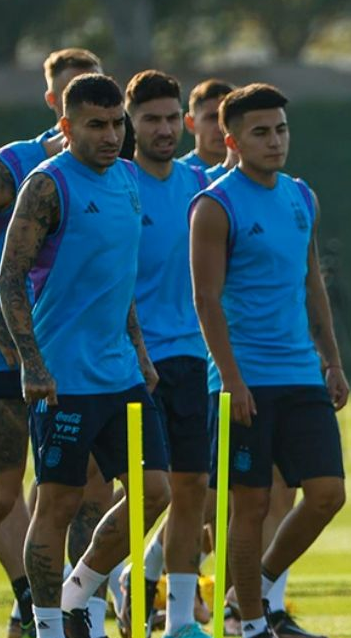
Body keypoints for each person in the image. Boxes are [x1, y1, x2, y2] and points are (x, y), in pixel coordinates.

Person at [0, 73, 171, 638]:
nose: (111, 135)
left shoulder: (128, 178)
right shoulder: (47, 185)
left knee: (154, 493)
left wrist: (140, 351)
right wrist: (32, 362)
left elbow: (119, 279)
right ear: (67, 126)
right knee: (59, 502)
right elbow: (10, 276)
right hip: (64, 377)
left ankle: (78, 591)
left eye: (117, 123)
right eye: (97, 125)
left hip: (120, 372)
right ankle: (49, 625)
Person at [190, 83, 350, 638]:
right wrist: (231, 380)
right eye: (260, 132)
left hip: (301, 373)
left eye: (281, 129)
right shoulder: (215, 205)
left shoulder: (301, 197)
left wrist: (332, 361)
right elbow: (206, 300)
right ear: (232, 141)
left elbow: (312, 284)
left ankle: (251, 587)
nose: (275, 141)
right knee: (251, 504)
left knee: (328, 494)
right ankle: (253, 625)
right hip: (245, 379)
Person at [0, 48, 111, 638]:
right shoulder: (19, 164)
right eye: (73, 90)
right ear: (55, 103)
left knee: (89, 490)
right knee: (6, 493)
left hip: (80, 357)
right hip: (13, 350)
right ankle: (33, 598)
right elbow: (12, 267)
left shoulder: (112, 170)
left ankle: (74, 609)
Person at [118, 69, 212, 638]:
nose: (164, 128)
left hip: (191, 357)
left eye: (172, 117)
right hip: (129, 362)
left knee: (192, 490)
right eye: (151, 119)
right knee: (141, 493)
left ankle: (178, 620)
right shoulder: (117, 182)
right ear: (130, 123)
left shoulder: (199, 184)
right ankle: (95, 591)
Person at [180, 80, 234, 170]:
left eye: (227, 118)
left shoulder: (253, 174)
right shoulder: (179, 174)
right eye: (212, 118)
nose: (221, 128)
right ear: (190, 123)